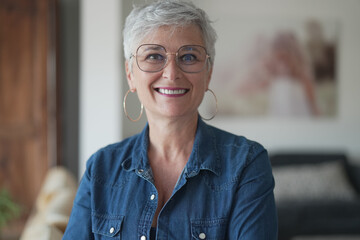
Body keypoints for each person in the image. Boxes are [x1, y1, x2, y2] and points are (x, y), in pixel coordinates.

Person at [63, 0, 278, 239]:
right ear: (130, 74)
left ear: (208, 73)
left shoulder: (246, 164)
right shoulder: (101, 168)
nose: (172, 73)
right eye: (154, 56)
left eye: (188, 57)